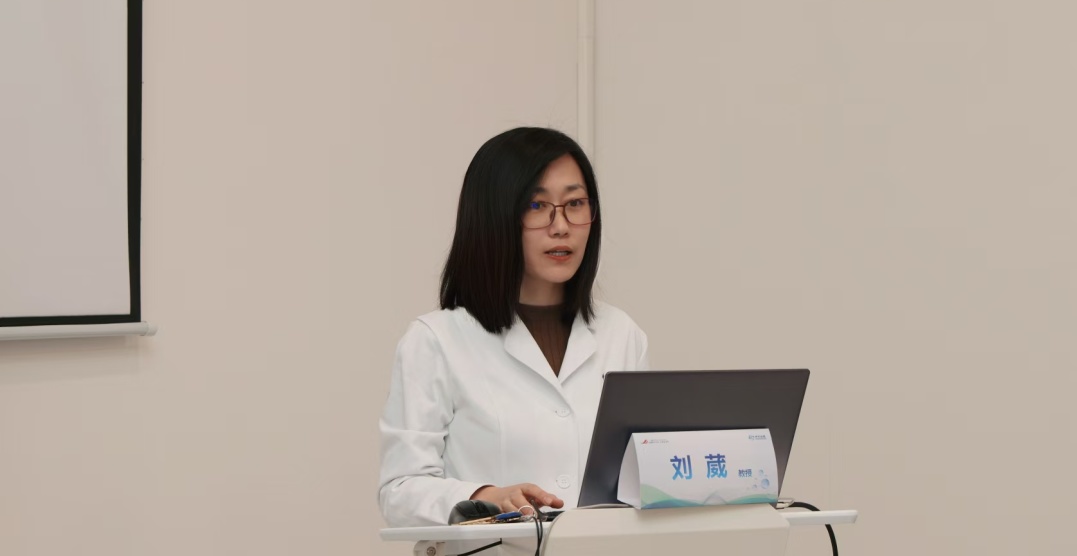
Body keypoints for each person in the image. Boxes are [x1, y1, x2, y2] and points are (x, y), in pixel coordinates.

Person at [378, 127, 649, 528]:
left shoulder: (621, 335)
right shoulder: (436, 341)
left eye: (575, 203)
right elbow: (400, 490)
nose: (561, 226)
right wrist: (484, 497)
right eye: (537, 205)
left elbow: (640, 476)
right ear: (494, 216)